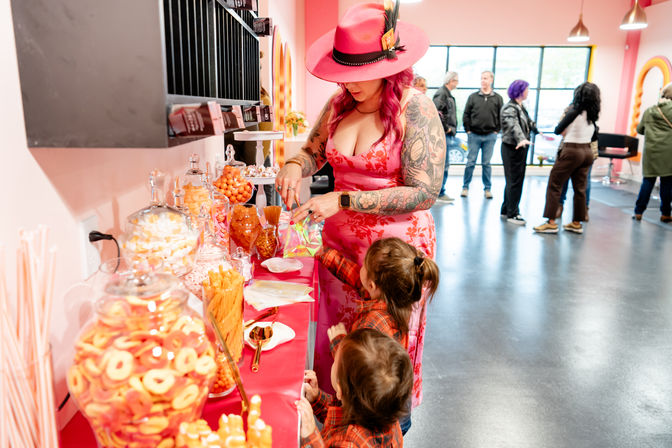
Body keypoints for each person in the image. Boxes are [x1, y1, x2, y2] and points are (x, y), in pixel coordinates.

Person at [275, 1, 441, 416]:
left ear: (390, 67)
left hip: (392, 259)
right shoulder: (338, 105)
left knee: (379, 352)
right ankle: (333, 419)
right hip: (339, 249)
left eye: (362, 76)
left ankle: (382, 428)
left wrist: (343, 199)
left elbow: (424, 191)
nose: (352, 85)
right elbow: (313, 152)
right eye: (347, 75)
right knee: (338, 341)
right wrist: (295, 166)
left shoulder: (415, 108)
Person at [317, 237, 440, 434]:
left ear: (373, 284)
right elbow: (355, 277)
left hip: (376, 414)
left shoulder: (373, 324)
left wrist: (340, 343)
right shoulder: (396, 297)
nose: (360, 268)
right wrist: (321, 251)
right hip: (397, 408)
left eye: (363, 265)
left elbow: (361, 365)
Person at [296, 328, 413, 447]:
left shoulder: (349, 444)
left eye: (334, 362)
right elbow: (340, 418)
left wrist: (310, 436)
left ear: (340, 389)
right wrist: (317, 399)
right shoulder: (383, 412)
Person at [534, 82, 601, 234]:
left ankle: (550, 222)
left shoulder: (574, 111)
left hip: (572, 150)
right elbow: (595, 135)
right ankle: (576, 223)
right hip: (587, 152)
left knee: (555, 184)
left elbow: (557, 130)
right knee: (580, 189)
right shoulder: (593, 114)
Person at [500, 80, 547, 225]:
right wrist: (521, 139)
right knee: (515, 181)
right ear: (519, 91)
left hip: (519, 147)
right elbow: (513, 125)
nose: (528, 92)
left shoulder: (520, 107)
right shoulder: (509, 108)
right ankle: (513, 214)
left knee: (513, 180)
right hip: (512, 148)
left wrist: (537, 130)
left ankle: (506, 209)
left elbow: (528, 122)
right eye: (526, 89)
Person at [633, 82, 672, 223]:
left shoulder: (650, 110)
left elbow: (639, 129)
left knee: (648, 181)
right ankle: (666, 214)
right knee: (667, 183)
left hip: (651, 151)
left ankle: (638, 212)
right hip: (668, 152)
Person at [461, 70, 503, 199]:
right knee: (470, 162)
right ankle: (465, 187)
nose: (483, 80)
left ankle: (487, 189)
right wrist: (468, 130)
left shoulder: (497, 98)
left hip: (490, 136)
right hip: (474, 135)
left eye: (485, 78)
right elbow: (466, 114)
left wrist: (497, 130)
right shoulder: (473, 97)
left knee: (486, 163)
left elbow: (502, 115)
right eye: (482, 78)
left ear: (491, 80)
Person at [433, 71, 460, 203]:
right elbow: (436, 112)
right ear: (451, 81)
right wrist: (446, 128)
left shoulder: (447, 94)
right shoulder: (442, 94)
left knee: (445, 164)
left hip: (447, 134)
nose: (457, 83)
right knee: (443, 164)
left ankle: (440, 192)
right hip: (443, 134)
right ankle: (440, 192)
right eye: (456, 80)